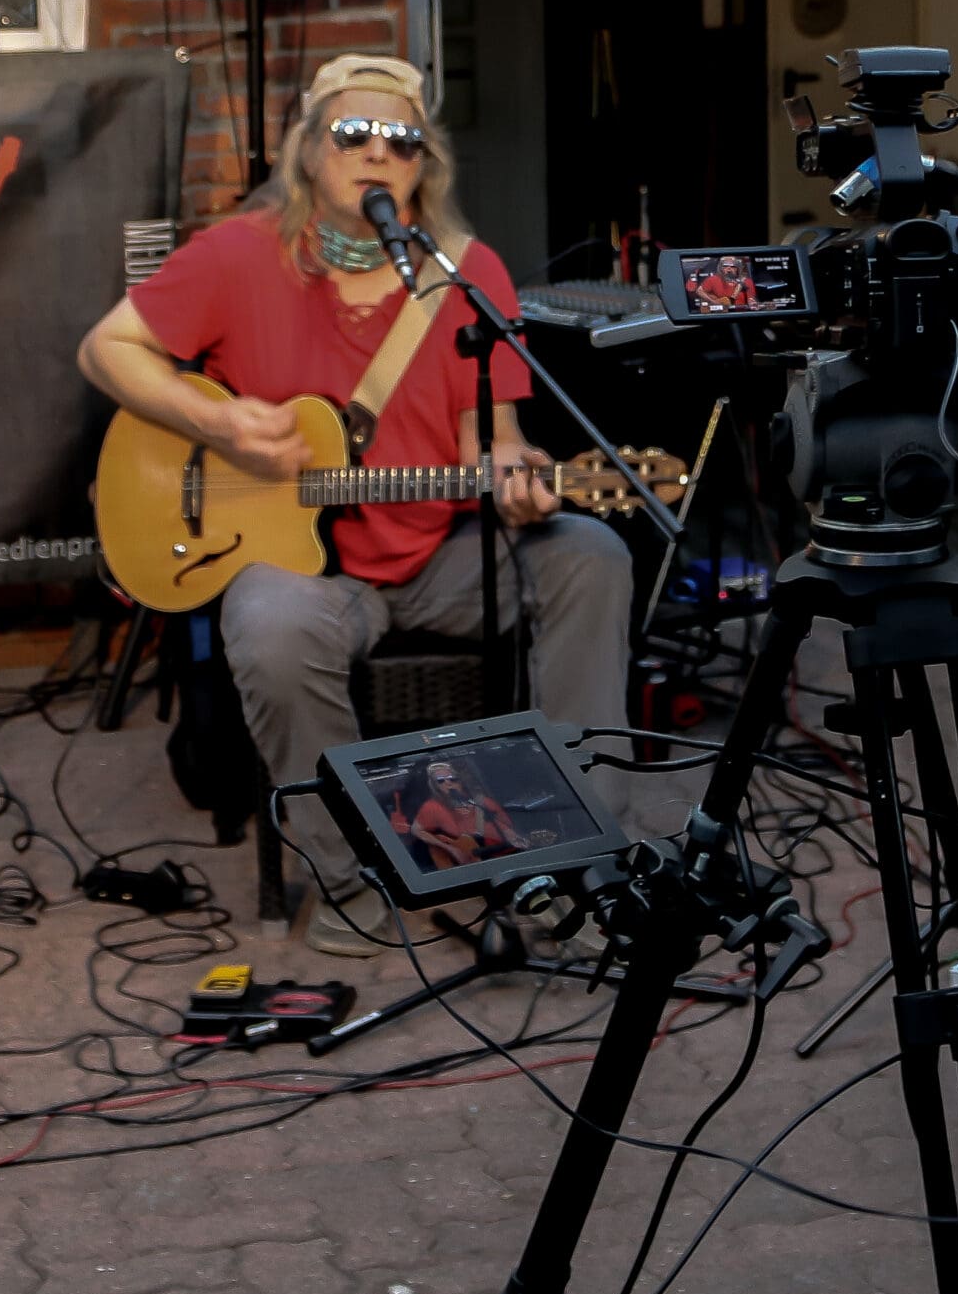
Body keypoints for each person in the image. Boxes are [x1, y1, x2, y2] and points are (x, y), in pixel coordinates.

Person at [77, 54, 632, 952]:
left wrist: (522, 476)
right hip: (317, 573)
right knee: (268, 622)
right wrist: (214, 428)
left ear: (426, 165)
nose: (379, 153)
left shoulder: (464, 269)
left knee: (590, 556)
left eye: (403, 141)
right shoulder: (238, 253)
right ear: (308, 149)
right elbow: (107, 350)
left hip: (442, 552)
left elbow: (490, 440)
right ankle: (347, 875)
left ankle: (576, 856)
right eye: (353, 133)